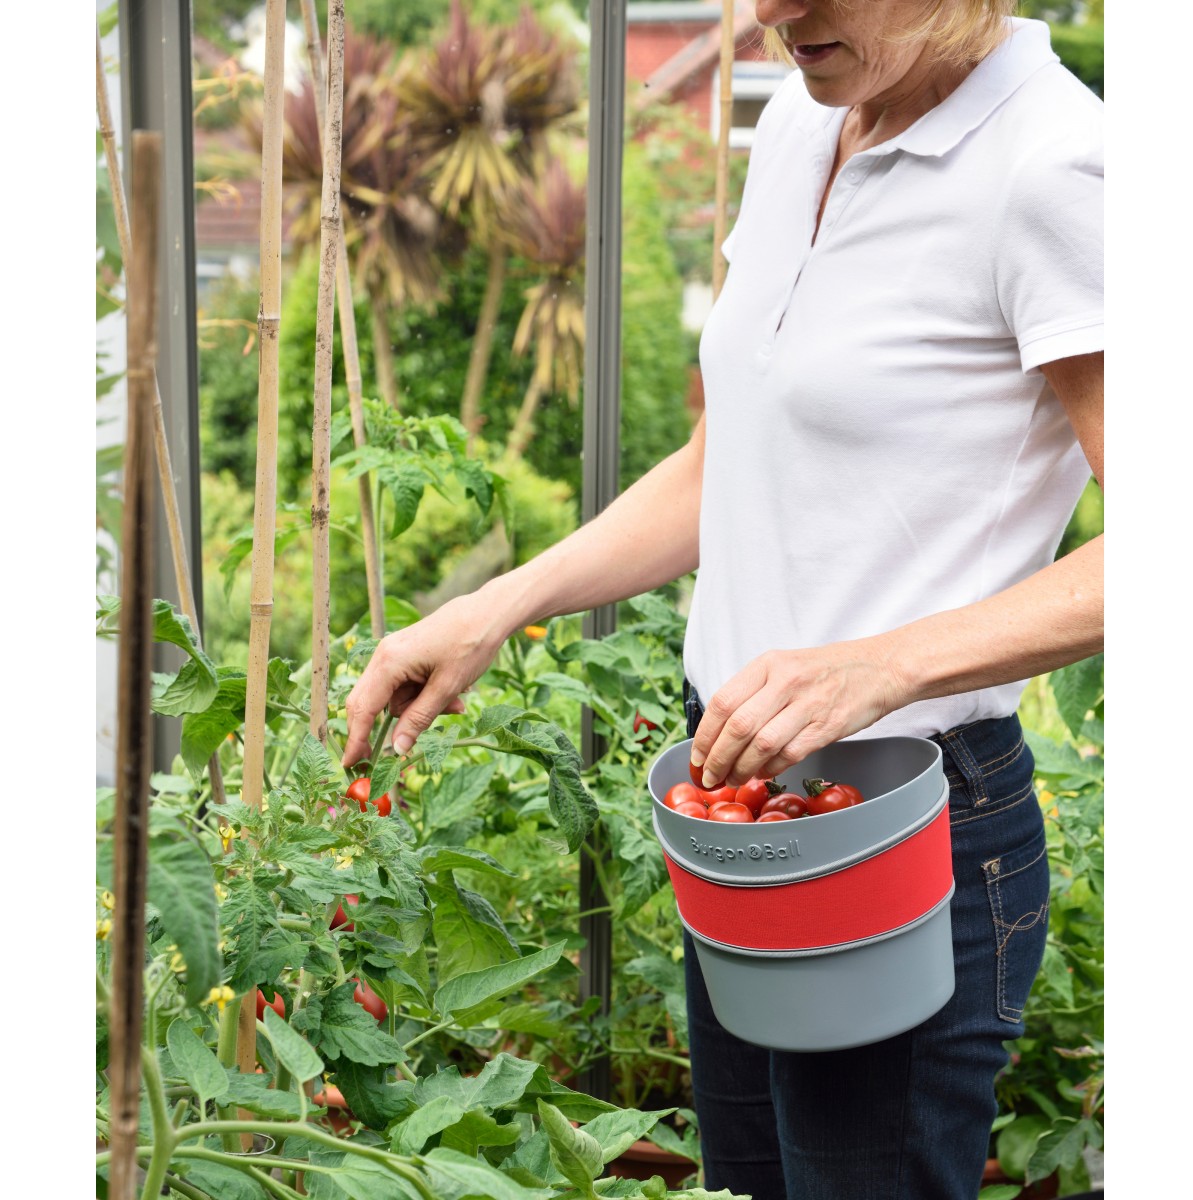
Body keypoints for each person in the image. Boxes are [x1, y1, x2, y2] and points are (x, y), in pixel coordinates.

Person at [342, 2, 1102, 1196]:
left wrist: (882, 665)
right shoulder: (811, 122)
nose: (772, 15)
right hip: (741, 811)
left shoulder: (1055, 167)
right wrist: (497, 606)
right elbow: (724, 462)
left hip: (901, 832)